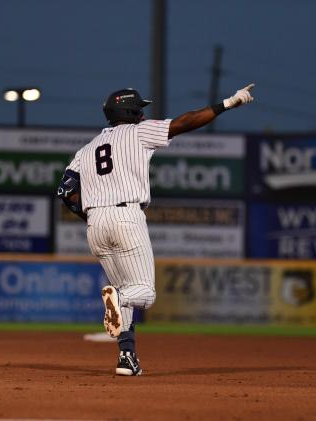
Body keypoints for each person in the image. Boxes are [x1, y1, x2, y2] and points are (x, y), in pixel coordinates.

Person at [57, 84, 255, 376]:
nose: (142, 113)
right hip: (126, 216)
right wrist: (227, 103)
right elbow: (185, 122)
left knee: (124, 290)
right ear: (131, 111)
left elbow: (66, 191)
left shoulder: (85, 150)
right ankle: (118, 300)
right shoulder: (138, 132)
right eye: (139, 108)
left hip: (95, 223)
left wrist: (88, 214)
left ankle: (127, 357)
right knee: (143, 295)